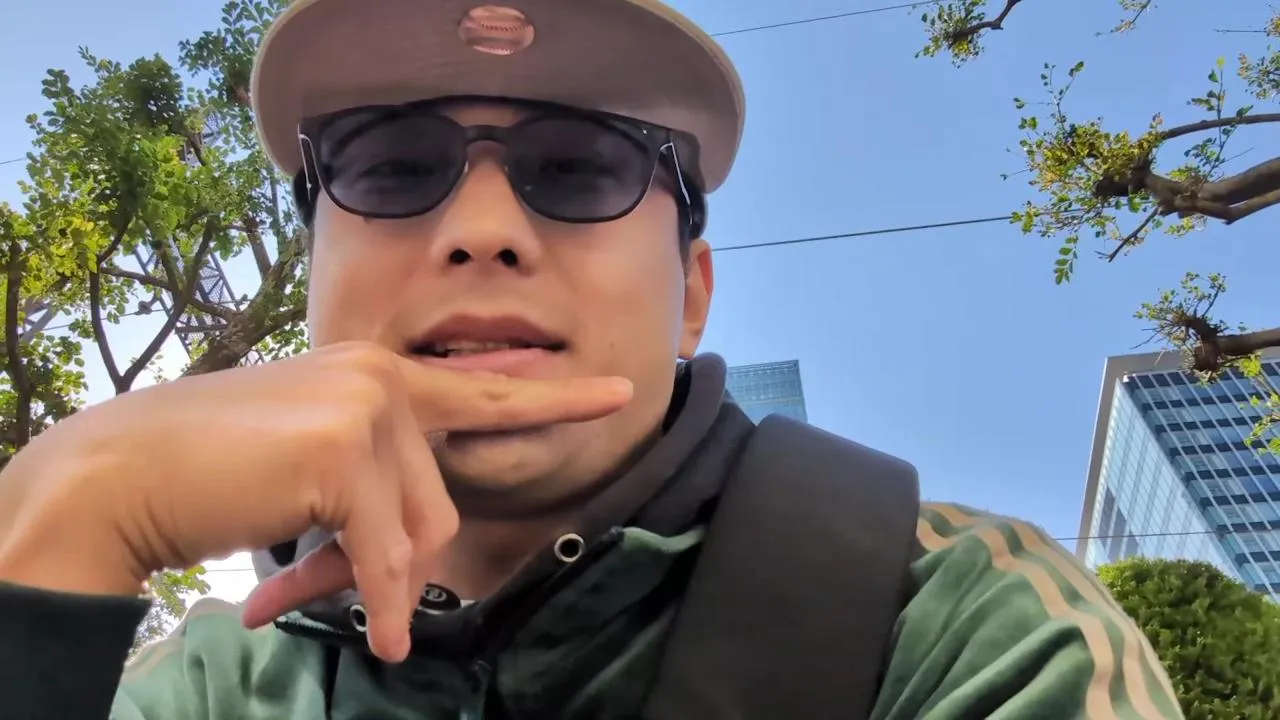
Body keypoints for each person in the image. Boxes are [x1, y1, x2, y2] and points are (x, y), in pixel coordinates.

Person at [0, 0, 1184, 718]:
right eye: (392, 166)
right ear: (312, 277)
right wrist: (68, 518)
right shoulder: (209, 685)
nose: (482, 231)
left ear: (691, 299)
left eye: (578, 169)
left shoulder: (954, 620)